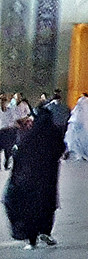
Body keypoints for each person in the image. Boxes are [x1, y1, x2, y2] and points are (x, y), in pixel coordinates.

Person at [4, 104, 61, 247]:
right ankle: (46, 232)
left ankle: (32, 239)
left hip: (31, 179)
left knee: (31, 208)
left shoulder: (32, 135)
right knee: (47, 206)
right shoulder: (54, 132)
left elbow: (20, 153)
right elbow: (61, 149)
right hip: (49, 179)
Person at [63, 93, 88, 160]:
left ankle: (74, 154)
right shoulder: (86, 111)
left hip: (76, 129)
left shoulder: (78, 110)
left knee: (73, 143)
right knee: (77, 143)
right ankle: (79, 154)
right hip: (80, 130)